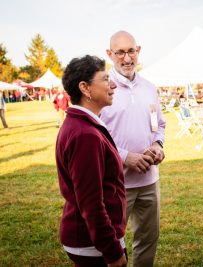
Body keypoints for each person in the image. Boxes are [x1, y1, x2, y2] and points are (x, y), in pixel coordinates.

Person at [100, 31, 166, 267]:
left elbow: (160, 124)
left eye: (131, 51)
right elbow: (97, 137)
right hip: (116, 184)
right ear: (110, 54)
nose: (127, 58)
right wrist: (125, 157)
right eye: (120, 52)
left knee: (148, 239)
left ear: (138, 51)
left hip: (149, 181)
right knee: (112, 243)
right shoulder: (102, 88)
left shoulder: (149, 87)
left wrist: (158, 145)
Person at [55, 55, 127, 267]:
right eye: (105, 79)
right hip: (93, 246)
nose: (113, 85)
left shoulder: (80, 125)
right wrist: (112, 252)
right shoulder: (85, 134)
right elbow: (91, 203)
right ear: (85, 88)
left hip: (91, 240)